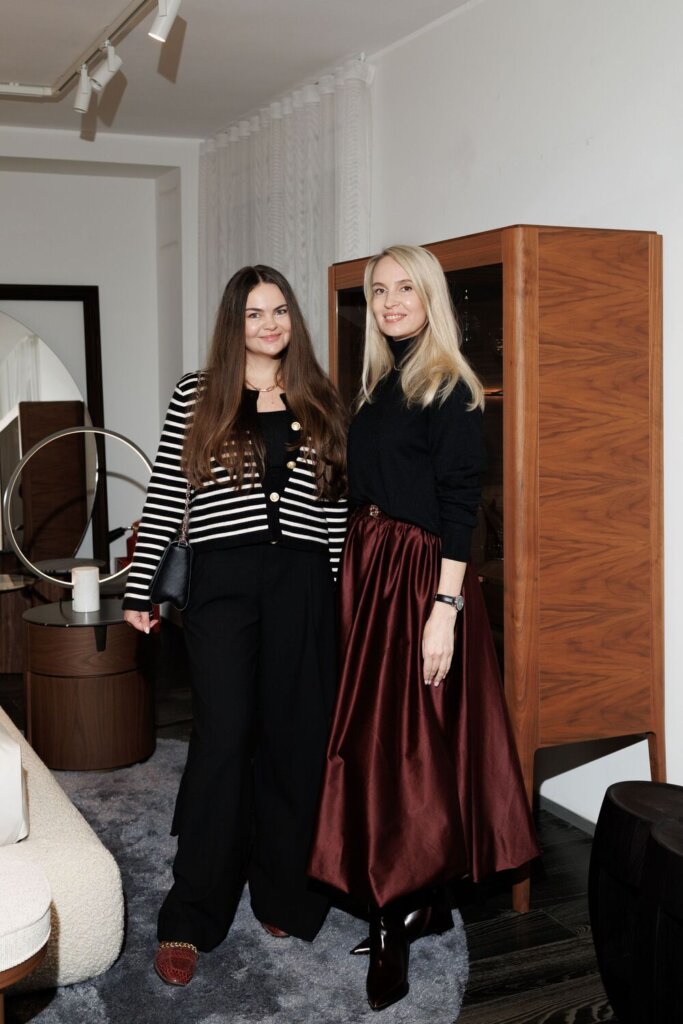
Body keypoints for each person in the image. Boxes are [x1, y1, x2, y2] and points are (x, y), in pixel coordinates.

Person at [308, 244, 540, 1011]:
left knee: (404, 744)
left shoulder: (450, 386)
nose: (390, 301)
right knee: (382, 737)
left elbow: (458, 506)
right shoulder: (380, 383)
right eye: (379, 290)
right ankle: (419, 900)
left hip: (420, 579)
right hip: (373, 570)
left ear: (430, 297)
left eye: (405, 288)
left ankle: (394, 915)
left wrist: (443, 611)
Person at [123, 265, 347, 987]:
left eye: (279, 311)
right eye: (254, 313)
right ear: (234, 323)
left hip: (301, 584)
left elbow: (336, 509)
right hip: (222, 585)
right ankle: (192, 912)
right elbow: (167, 492)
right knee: (222, 741)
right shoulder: (199, 393)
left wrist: (338, 596)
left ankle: (283, 890)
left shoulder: (319, 395)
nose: (270, 324)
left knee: (293, 741)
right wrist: (142, 586)